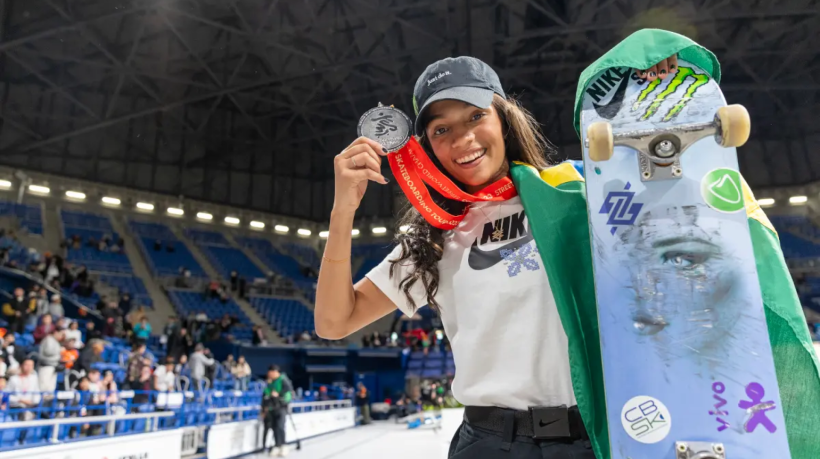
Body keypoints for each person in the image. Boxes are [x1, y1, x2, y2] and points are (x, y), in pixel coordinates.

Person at [314, 28, 820, 458]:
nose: (463, 139)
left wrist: (652, 103)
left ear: (502, 117)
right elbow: (335, 321)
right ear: (427, 147)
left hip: (592, 435)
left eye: (474, 117)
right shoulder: (432, 236)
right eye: (441, 129)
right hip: (488, 443)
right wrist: (343, 210)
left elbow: (679, 206)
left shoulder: (579, 191)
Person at [262, 365, 293, 457]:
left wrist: (278, 394)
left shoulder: (283, 379)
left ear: (275, 372)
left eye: (270, 373)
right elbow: (266, 394)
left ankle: (283, 445)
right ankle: (277, 445)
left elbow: (288, 389)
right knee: (274, 427)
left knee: (280, 426)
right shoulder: (271, 382)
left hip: (281, 407)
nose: (269, 375)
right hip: (272, 408)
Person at [38, 327, 64, 392]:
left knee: (51, 388)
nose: (62, 336)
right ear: (55, 332)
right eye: (61, 334)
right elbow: (48, 351)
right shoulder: (48, 339)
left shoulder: (55, 341)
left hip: (53, 366)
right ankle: (42, 401)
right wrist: (59, 352)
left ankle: (48, 401)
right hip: (46, 366)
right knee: (44, 387)